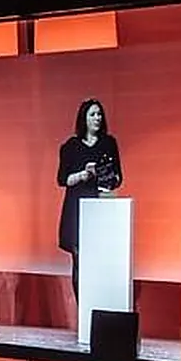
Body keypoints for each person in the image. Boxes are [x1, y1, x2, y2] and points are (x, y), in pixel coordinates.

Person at [57, 98, 124, 299]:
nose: (97, 118)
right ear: (84, 118)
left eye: (100, 114)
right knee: (79, 260)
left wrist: (104, 174)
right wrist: (82, 175)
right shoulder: (70, 146)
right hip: (76, 208)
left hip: (101, 208)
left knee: (100, 261)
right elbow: (62, 179)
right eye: (93, 114)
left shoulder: (109, 143)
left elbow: (118, 178)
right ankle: (83, 311)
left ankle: (98, 307)